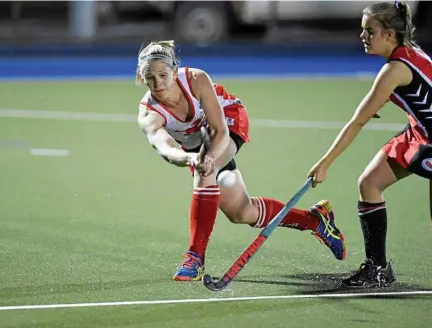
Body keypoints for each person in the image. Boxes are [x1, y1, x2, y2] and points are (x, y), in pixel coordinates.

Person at [136, 40, 346, 281]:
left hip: (229, 120)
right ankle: (314, 221)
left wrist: (208, 160)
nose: (157, 83)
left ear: (174, 71)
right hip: (196, 146)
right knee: (241, 212)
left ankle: (195, 258)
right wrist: (189, 158)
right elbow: (165, 147)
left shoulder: (196, 79)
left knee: (206, 174)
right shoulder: (149, 113)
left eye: (163, 74)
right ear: (142, 79)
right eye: (149, 78)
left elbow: (220, 131)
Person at [307, 1, 432, 288]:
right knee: (369, 183)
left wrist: (324, 164)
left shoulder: (394, 70)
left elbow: (357, 122)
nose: (363, 36)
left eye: (370, 30)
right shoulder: (408, 53)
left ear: (390, 35)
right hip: (422, 133)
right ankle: (378, 269)